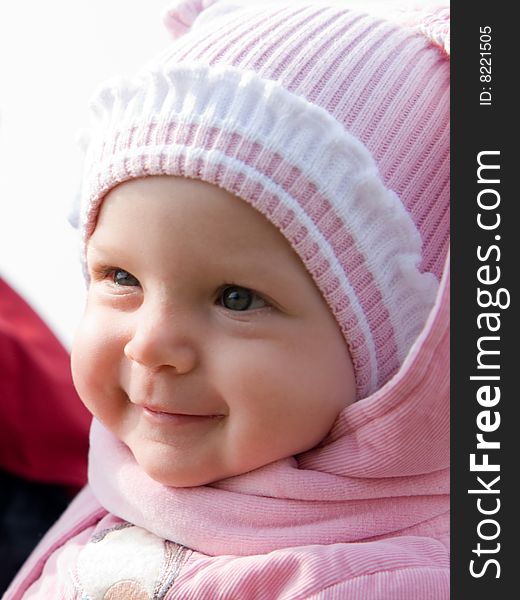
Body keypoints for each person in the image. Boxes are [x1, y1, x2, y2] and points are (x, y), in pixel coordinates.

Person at [4, 0, 450, 597]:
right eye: (120, 278)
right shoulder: (123, 491)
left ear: (408, 358)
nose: (151, 344)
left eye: (236, 298)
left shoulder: (380, 582)